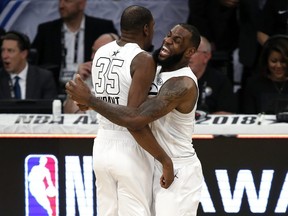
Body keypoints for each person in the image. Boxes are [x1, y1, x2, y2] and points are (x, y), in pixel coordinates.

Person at [66, 23, 203, 216]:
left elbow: (136, 119)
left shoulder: (182, 84)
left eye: (176, 41)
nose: (167, 41)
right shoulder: (155, 69)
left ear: (190, 52)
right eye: (169, 35)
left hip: (178, 166)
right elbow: (129, 105)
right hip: (153, 159)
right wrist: (90, 103)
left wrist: (91, 100)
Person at [32, 0, 117, 95]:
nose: (61, 5)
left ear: (81, 4)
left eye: (67, 1)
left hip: (89, 89)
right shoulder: (46, 30)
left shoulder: (102, 27)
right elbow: (34, 64)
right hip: (54, 90)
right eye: (60, 1)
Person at [63, 33, 119, 113]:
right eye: (93, 51)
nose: (92, 57)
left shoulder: (127, 77)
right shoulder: (87, 74)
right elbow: (69, 114)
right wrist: (77, 82)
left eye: (98, 53)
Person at [0, 31, 57, 100]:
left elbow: (50, 108)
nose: (4, 56)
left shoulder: (44, 78)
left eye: (10, 51)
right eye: (3, 50)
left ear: (23, 54)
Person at [189, 36, 238, 114]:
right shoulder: (173, 79)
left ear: (206, 57)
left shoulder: (220, 81)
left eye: (192, 51)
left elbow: (227, 114)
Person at [243, 35, 288, 114]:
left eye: (283, 61)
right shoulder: (254, 84)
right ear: (266, 61)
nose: (278, 66)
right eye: (274, 61)